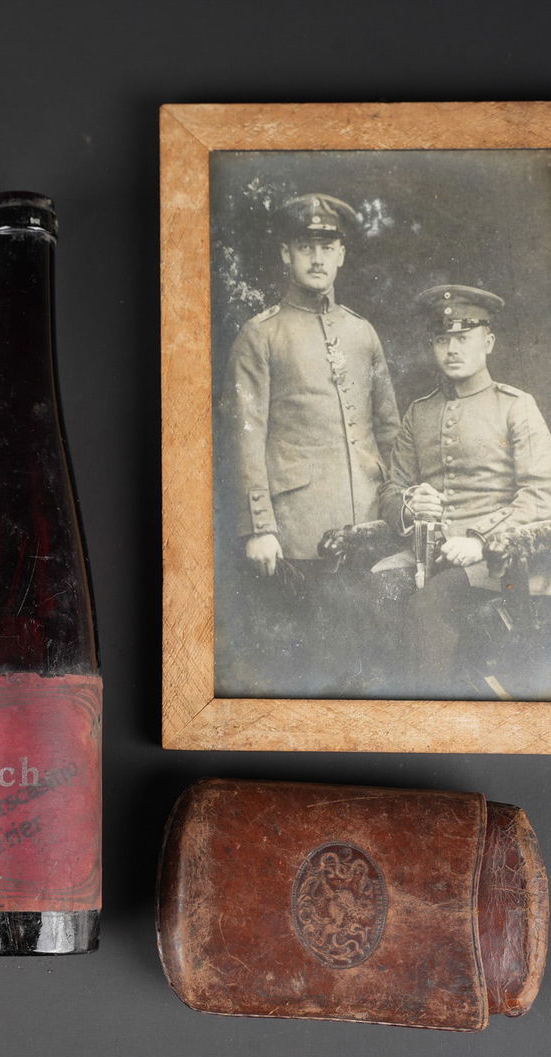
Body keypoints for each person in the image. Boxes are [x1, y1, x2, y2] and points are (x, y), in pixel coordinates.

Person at [223, 193, 401, 693]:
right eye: (305, 246)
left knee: (372, 668)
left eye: (328, 246)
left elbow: (388, 430)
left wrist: (400, 509)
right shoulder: (261, 336)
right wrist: (259, 526)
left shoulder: (362, 334)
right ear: (286, 254)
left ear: (342, 254)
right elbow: (246, 436)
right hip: (298, 537)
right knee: (313, 675)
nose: (317, 258)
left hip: (367, 526)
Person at [388, 285, 551, 697]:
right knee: (367, 593)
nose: (452, 349)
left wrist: (480, 539)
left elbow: (538, 494)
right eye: (442, 339)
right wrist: (411, 504)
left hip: (497, 563)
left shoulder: (516, 406)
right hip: (424, 554)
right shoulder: (419, 411)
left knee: (427, 609)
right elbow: (392, 487)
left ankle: (428, 723)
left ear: (488, 342)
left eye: (463, 338)